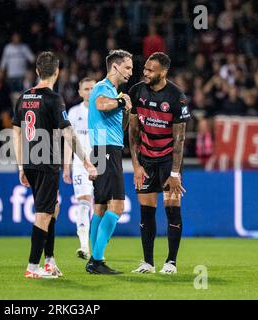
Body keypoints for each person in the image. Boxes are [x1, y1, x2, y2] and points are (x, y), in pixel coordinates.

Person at [12, 52, 97, 279]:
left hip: (30, 162)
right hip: (46, 162)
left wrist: (21, 166)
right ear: (57, 72)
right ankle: (32, 267)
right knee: (43, 213)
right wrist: (87, 161)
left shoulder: (23, 97)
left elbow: (16, 133)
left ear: (38, 71)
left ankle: (49, 261)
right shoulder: (53, 99)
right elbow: (68, 133)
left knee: (53, 208)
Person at [129, 52, 191, 274]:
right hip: (146, 159)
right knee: (146, 211)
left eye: (150, 70)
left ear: (163, 72)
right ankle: (148, 262)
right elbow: (133, 131)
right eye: (144, 69)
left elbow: (180, 138)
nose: (145, 73)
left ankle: (171, 263)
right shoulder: (136, 91)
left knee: (172, 210)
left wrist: (175, 172)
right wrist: (136, 165)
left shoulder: (177, 97)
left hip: (168, 161)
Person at [85, 49, 133, 275]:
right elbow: (102, 105)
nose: (130, 72)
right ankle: (96, 260)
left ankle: (94, 260)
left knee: (101, 206)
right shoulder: (103, 88)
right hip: (106, 151)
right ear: (115, 66)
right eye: (127, 67)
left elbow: (118, 129)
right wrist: (122, 102)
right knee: (117, 206)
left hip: (104, 148)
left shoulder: (113, 92)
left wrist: (124, 110)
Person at [63, 77, 96, 260]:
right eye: (86, 89)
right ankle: (84, 246)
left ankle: (98, 248)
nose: (90, 92)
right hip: (80, 164)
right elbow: (69, 141)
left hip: (101, 162)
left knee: (101, 206)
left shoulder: (102, 110)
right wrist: (66, 166)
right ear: (80, 91)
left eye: (93, 88)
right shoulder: (74, 113)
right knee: (84, 201)